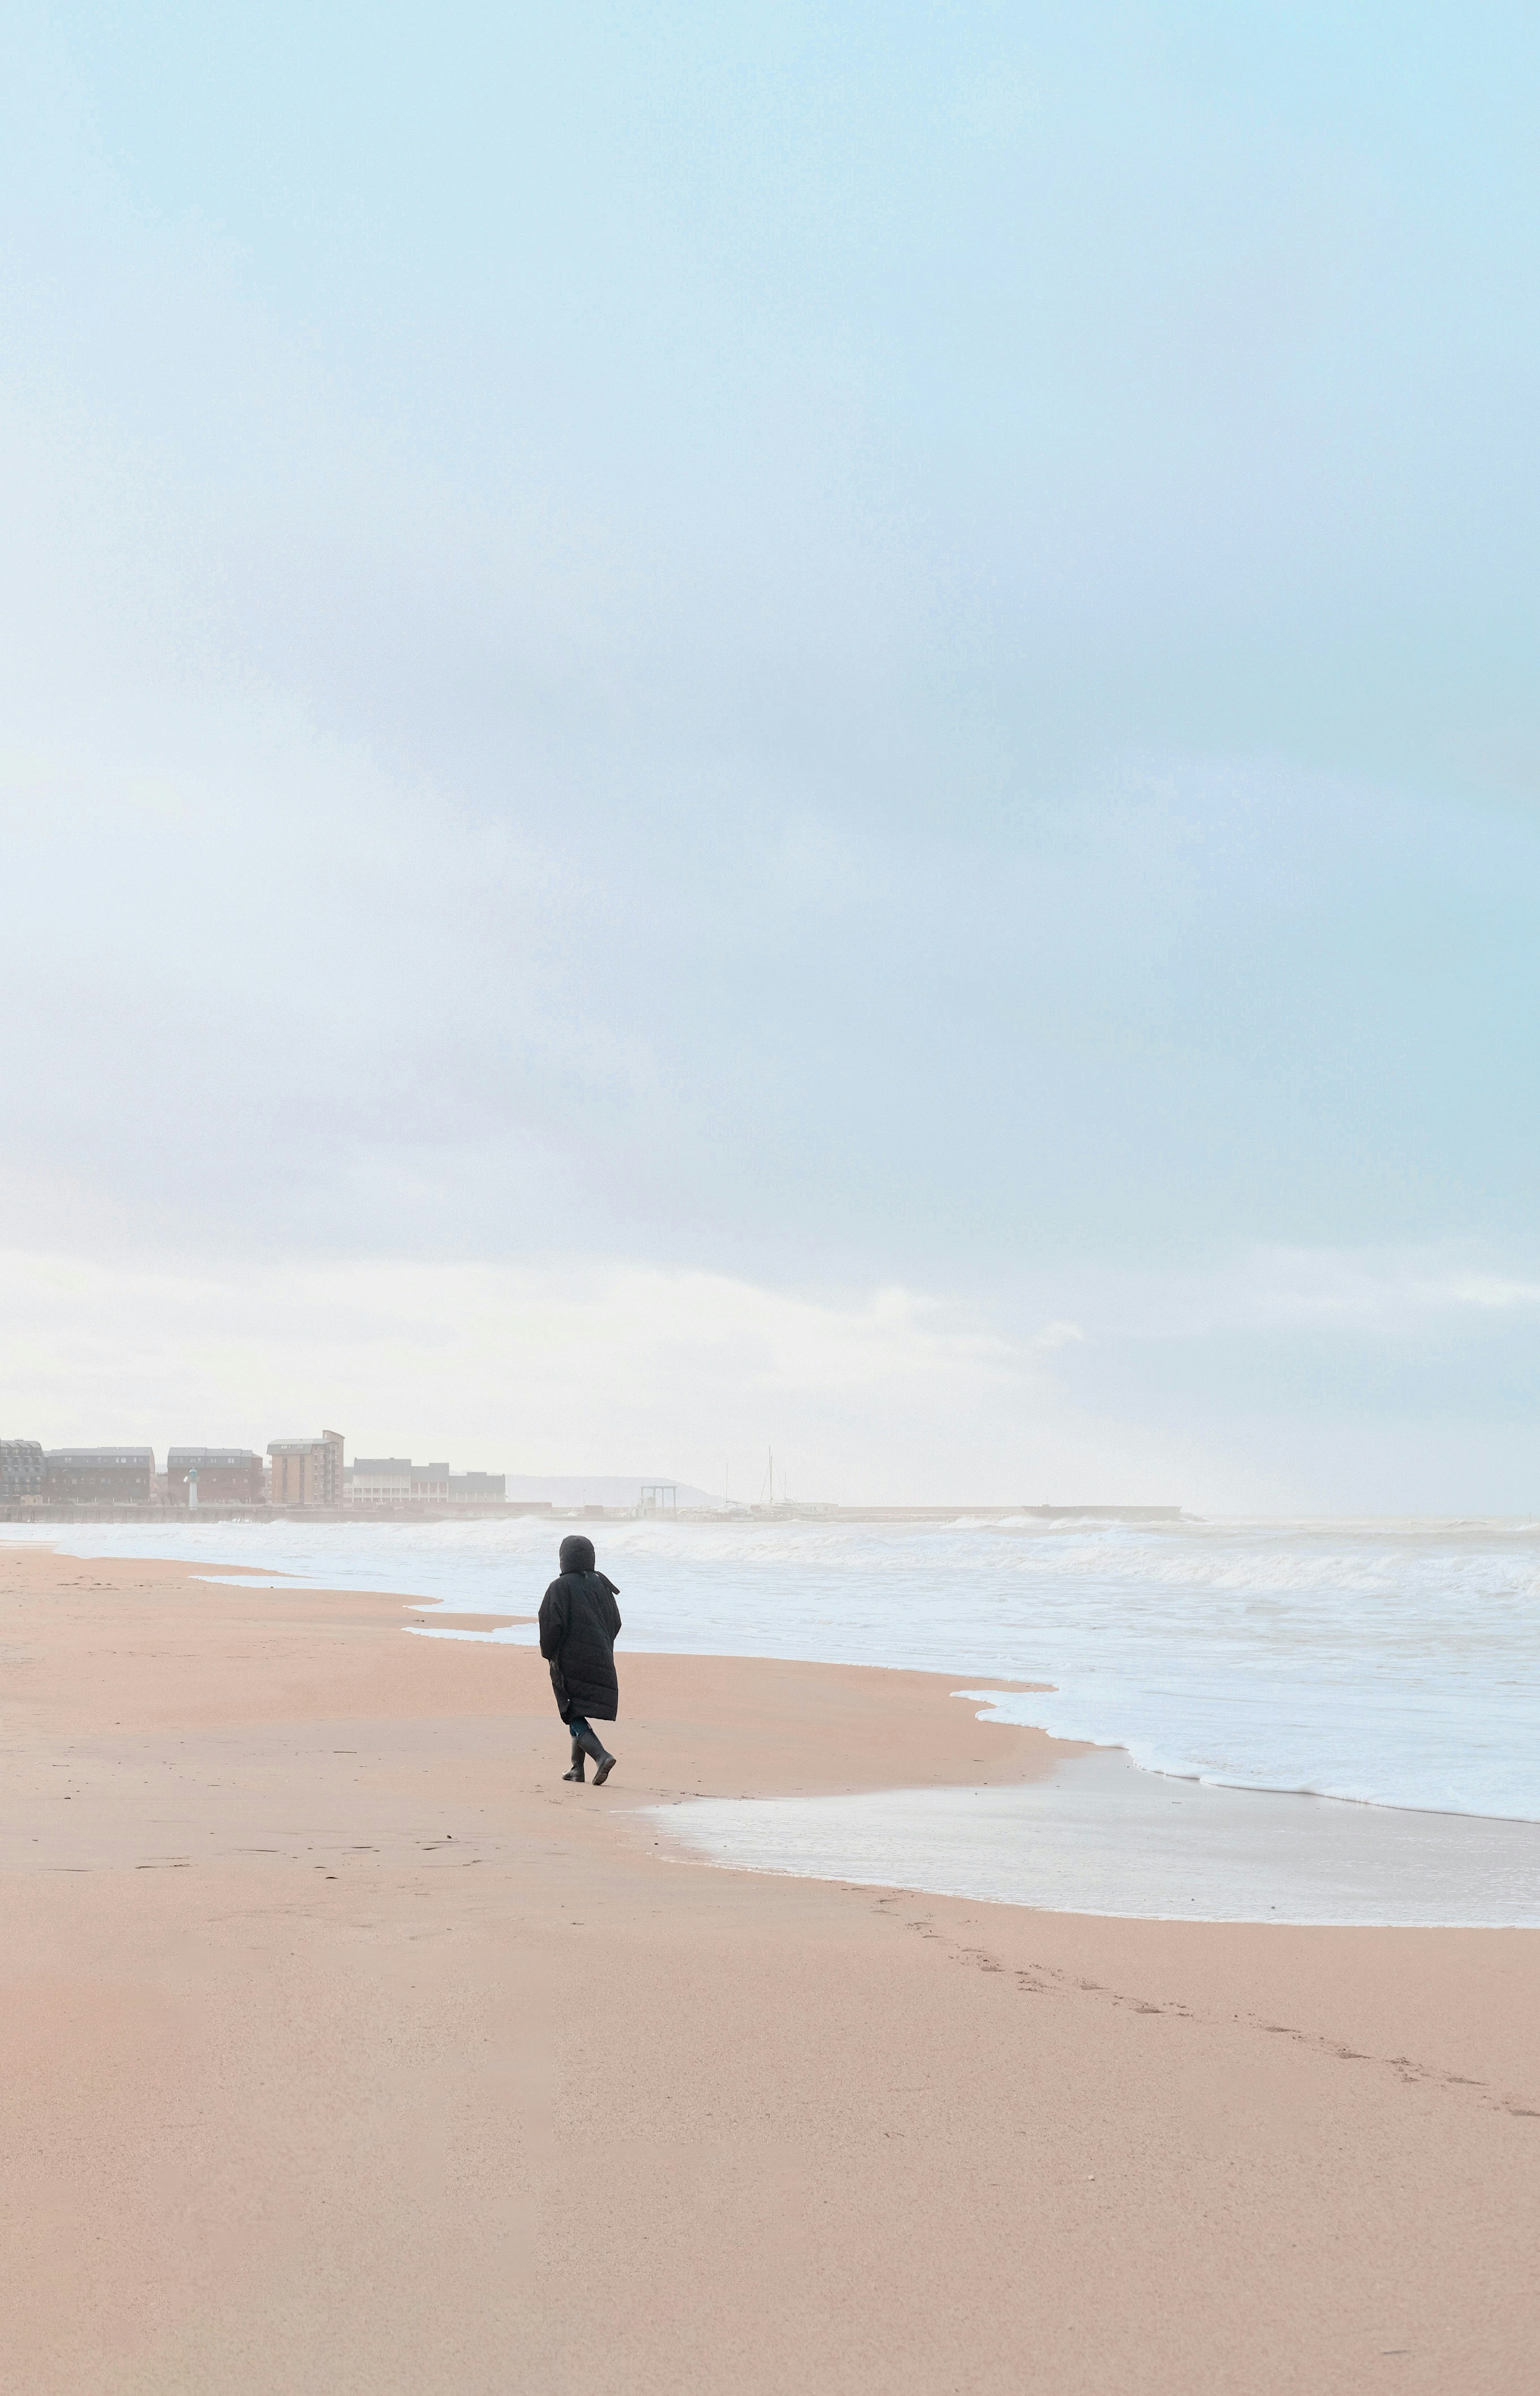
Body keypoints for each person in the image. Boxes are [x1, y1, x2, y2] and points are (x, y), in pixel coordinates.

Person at [538, 1533, 621, 1785]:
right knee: (578, 1707)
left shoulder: (559, 1587)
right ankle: (577, 1769)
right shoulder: (602, 1585)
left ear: (563, 1559)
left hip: (569, 1660)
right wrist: (603, 1646)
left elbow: (550, 1625)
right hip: (602, 1656)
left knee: (571, 1709)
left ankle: (601, 1756)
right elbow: (616, 1622)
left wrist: (549, 1654)